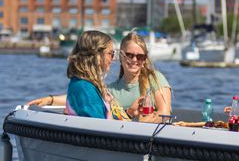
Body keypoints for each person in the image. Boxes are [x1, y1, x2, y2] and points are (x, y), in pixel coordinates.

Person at [28, 31, 172, 123]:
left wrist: (138, 120)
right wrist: (51, 99)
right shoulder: (109, 90)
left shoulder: (155, 78)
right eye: (129, 55)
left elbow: (165, 114)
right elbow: (85, 97)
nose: (135, 60)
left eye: (140, 56)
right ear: (121, 55)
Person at [64, 30, 120, 119]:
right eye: (110, 53)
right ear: (97, 56)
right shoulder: (85, 88)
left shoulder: (83, 84)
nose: (112, 58)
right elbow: (98, 127)